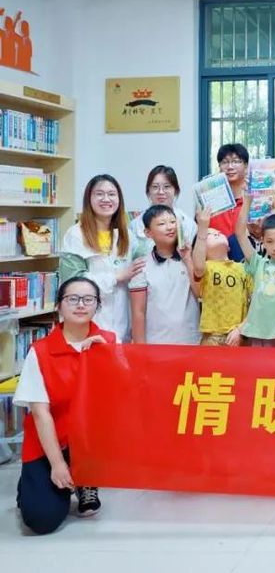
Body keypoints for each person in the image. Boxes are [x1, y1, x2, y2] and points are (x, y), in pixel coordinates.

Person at [14, 277, 116, 533]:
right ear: (59, 305)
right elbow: (40, 414)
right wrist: (58, 465)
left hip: (90, 442)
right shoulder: (40, 351)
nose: (81, 305)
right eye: (72, 299)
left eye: (88, 299)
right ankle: (33, 481)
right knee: (42, 520)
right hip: (51, 442)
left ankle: (86, 480)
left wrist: (108, 358)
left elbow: (124, 397)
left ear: (97, 305)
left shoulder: (109, 342)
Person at [59, 174, 141, 342]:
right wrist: (116, 277)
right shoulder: (75, 234)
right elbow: (72, 282)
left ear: (119, 199)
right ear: (89, 199)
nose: (106, 199)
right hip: (88, 322)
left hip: (121, 323)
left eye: (112, 194)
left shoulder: (127, 236)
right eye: (99, 194)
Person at [234, 190, 275, 347]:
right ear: (263, 241)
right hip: (256, 333)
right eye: (269, 241)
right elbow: (240, 233)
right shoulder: (258, 263)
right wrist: (247, 201)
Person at [128, 205, 200, 345]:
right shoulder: (141, 266)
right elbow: (138, 312)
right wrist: (140, 349)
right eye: (162, 224)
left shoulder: (190, 259)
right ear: (148, 233)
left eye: (173, 222)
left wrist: (187, 259)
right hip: (156, 343)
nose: (170, 227)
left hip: (192, 341)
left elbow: (200, 294)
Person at [191, 208, 251, 346]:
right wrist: (202, 229)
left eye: (218, 232)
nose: (216, 233)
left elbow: (255, 301)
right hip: (213, 336)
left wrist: (241, 328)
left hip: (240, 335)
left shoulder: (244, 268)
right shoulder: (206, 268)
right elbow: (198, 266)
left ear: (229, 247)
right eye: (210, 234)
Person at [129, 165, 197, 253]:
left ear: (175, 190)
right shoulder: (135, 225)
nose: (161, 192)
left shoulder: (188, 224)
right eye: (155, 187)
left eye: (167, 186)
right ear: (148, 191)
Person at [209, 143, 250, 237]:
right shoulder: (211, 202)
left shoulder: (255, 200)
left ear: (246, 166)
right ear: (219, 167)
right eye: (225, 162)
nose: (230, 167)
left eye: (236, 161)